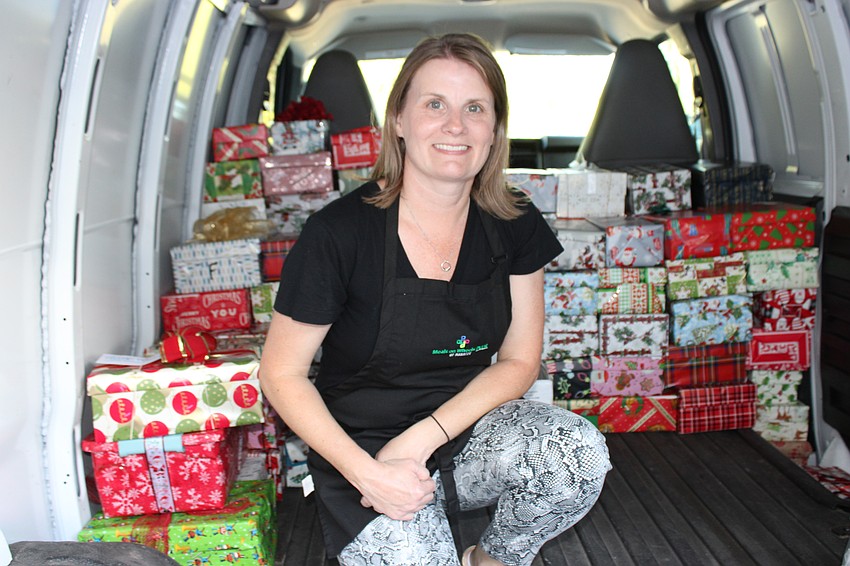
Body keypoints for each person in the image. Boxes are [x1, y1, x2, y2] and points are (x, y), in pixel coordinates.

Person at [259, 32, 611, 566]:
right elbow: (281, 373)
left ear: (494, 129)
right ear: (398, 120)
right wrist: (368, 473)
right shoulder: (338, 233)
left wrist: (424, 438)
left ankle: (491, 559)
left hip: (468, 431)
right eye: (434, 105)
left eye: (475, 108)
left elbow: (519, 362)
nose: (456, 126)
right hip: (364, 448)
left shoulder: (514, 221)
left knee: (576, 454)